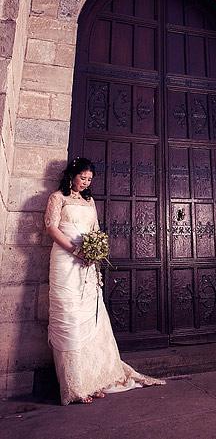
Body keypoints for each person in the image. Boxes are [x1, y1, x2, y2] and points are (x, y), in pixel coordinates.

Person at [44, 157, 165, 405]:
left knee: (90, 318)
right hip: (65, 262)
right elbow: (51, 228)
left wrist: (95, 251)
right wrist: (75, 250)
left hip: (87, 264)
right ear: (71, 175)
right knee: (68, 317)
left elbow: (96, 229)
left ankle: (93, 380)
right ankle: (75, 386)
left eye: (89, 180)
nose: (85, 183)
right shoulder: (57, 198)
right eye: (82, 178)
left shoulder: (90, 200)